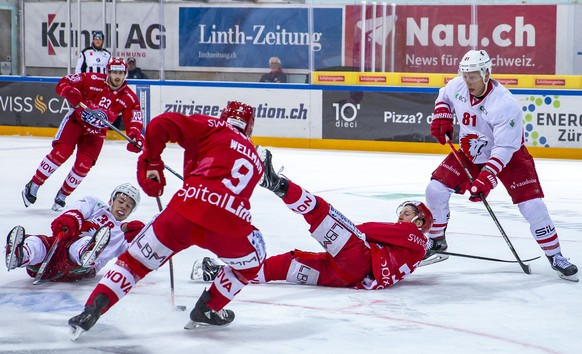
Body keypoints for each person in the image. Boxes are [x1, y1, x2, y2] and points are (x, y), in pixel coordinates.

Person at [68, 101, 266, 338]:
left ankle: (91, 310)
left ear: (224, 117)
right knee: (254, 260)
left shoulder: (213, 126)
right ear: (250, 128)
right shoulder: (255, 157)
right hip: (228, 227)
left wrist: (151, 161)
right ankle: (208, 308)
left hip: (183, 214)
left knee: (134, 262)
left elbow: (160, 124)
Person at [425, 49, 578, 282]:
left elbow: (504, 148)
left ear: (486, 74)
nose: (468, 81)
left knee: (533, 206)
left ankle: (555, 255)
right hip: (471, 151)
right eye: (465, 75)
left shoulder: (504, 104)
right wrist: (442, 115)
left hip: (511, 157)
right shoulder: (458, 85)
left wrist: (487, 177)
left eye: (473, 76)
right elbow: (444, 96)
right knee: (435, 189)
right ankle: (437, 240)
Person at [194, 147, 432, 290]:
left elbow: (367, 229)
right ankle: (220, 273)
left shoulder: (412, 234)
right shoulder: (415, 248)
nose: (402, 216)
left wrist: (342, 228)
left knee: (321, 211)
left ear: (420, 222)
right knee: (287, 264)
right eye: (402, 213)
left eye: (408, 213)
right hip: (346, 277)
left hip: (357, 259)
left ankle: (276, 184)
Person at [22, 57, 144, 211]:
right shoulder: (92, 78)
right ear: (108, 71)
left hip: (96, 133)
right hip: (76, 122)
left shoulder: (129, 97)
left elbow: (135, 119)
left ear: (126, 73)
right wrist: (69, 91)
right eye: (114, 72)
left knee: (83, 165)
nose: (117, 76)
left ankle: (63, 195)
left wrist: (135, 136)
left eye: (121, 72)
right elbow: (64, 82)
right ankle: (35, 183)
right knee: (61, 153)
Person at [6, 183, 144, 283]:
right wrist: (71, 219)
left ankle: (88, 253)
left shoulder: (124, 234)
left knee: (81, 244)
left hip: (79, 268)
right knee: (39, 242)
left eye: (128, 206)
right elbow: (79, 208)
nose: (123, 207)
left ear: (130, 212)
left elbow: (134, 257)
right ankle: (21, 255)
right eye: (121, 201)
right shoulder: (96, 205)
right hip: (58, 247)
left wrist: (138, 238)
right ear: (111, 200)